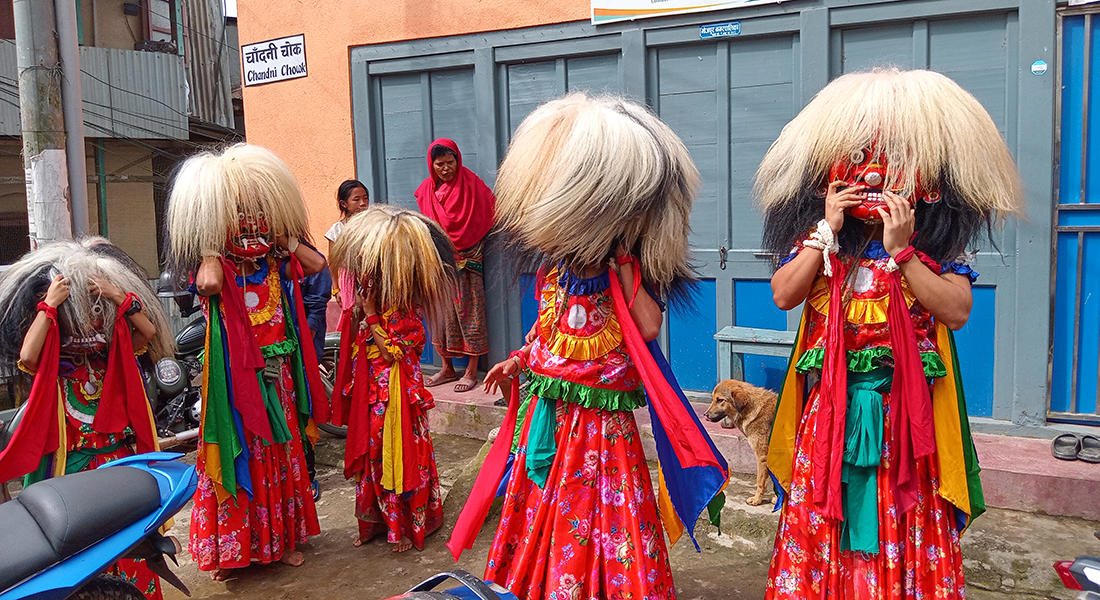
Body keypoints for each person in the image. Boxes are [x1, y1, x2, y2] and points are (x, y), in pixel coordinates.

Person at [447, 93, 729, 600]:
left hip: (603, 431)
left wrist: (622, 262)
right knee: (545, 508)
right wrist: (516, 361)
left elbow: (647, 328)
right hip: (550, 419)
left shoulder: (629, 274)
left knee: (608, 516)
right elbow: (545, 335)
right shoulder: (554, 277)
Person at [756, 68, 1024, 599]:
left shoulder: (935, 247)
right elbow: (784, 294)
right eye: (858, 163)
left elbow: (957, 311)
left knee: (902, 520)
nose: (874, 178)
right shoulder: (824, 244)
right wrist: (825, 233)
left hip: (904, 423)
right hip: (828, 422)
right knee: (825, 523)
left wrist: (902, 252)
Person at [166, 143, 328, 581]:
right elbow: (211, 282)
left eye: (259, 214)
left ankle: (283, 542)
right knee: (241, 450)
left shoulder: (276, 262)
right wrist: (209, 243)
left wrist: (284, 237)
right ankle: (232, 549)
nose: (252, 224)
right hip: (234, 382)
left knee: (280, 452)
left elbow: (316, 264)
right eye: (240, 216)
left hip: (279, 379)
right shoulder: (214, 268)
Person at [0, 238, 175, 600]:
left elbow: (149, 332)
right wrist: (50, 306)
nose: (89, 326)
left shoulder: (113, 358)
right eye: (79, 316)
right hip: (72, 478)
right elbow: (29, 356)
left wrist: (118, 297)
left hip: (120, 467)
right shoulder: (55, 371)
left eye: (97, 314)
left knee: (130, 542)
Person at [327, 204, 454, 553]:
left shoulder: (404, 311)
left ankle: (404, 526)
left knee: (398, 454)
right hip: (371, 395)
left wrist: (369, 316)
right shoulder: (369, 304)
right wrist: (359, 314)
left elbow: (390, 353)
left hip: (398, 397)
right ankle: (375, 524)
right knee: (373, 455)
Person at [414, 139, 494, 393]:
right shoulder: (426, 190)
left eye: (450, 162)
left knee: (470, 314)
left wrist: (466, 248)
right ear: (432, 165)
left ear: (458, 160)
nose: (446, 168)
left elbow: (490, 213)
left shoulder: (473, 186)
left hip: (468, 263)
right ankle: (447, 367)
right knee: (441, 315)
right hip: (439, 263)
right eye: (440, 164)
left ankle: (471, 370)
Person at [326, 179, 369, 314]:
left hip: (371, 278)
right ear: (344, 204)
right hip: (349, 280)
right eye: (356, 199)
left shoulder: (374, 225)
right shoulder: (337, 230)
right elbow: (333, 263)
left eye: (365, 198)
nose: (363, 203)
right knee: (354, 315)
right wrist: (335, 288)